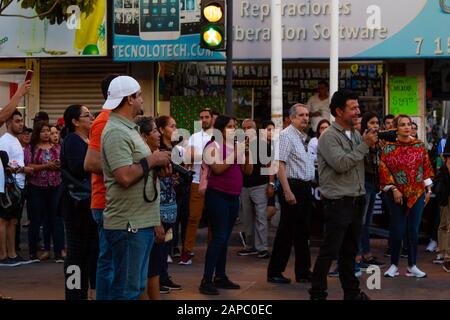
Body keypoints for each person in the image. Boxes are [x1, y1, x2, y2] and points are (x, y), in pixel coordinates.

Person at [100, 76, 171, 300]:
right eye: (139, 95)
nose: (142, 99)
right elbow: (124, 176)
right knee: (126, 291)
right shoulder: (116, 132)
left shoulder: (128, 129)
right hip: (129, 225)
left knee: (135, 287)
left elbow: (136, 168)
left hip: (140, 222)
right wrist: (153, 161)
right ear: (129, 99)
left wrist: (155, 167)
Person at [309, 90, 378, 301]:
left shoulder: (355, 134)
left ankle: (352, 293)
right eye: (353, 108)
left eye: (358, 107)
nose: (358, 111)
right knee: (329, 251)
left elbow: (358, 163)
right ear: (339, 111)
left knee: (349, 252)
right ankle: (318, 293)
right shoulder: (328, 136)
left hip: (356, 200)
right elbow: (341, 164)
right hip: (338, 202)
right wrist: (365, 145)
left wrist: (371, 145)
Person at [199, 115, 253, 295]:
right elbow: (218, 168)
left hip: (233, 196)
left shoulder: (234, 147)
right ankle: (206, 279)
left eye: (234, 126)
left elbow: (248, 170)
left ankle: (220, 276)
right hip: (217, 196)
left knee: (225, 238)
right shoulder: (212, 146)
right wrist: (237, 151)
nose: (233, 129)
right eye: (230, 126)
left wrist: (246, 152)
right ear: (220, 129)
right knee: (219, 237)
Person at [380, 115, 434, 278]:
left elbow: (425, 168)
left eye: (408, 124)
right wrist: (394, 188)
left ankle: (412, 265)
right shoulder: (388, 148)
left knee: (413, 230)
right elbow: (384, 169)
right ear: (396, 128)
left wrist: (428, 191)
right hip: (396, 195)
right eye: (402, 125)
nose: (406, 127)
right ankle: (394, 265)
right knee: (397, 230)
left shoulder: (419, 146)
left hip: (417, 193)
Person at [267, 104, 315, 285]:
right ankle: (275, 271)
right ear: (292, 117)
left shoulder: (301, 137)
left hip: (304, 187)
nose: (305, 118)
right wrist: (287, 191)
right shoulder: (286, 136)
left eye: (307, 115)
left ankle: (303, 271)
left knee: (303, 231)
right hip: (293, 186)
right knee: (286, 231)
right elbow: (279, 164)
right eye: (301, 115)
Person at [83, 74, 118, 300]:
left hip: (115, 202)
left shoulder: (113, 119)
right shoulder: (104, 121)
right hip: (106, 202)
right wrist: (129, 170)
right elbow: (92, 163)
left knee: (115, 260)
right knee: (109, 259)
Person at [60, 104, 98, 300]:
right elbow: (78, 167)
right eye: (86, 115)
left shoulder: (88, 139)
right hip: (76, 205)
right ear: (75, 122)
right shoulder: (72, 140)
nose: (91, 117)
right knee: (75, 255)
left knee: (91, 251)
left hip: (88, 204)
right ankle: (74, 294)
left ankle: (87, 292)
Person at [25, 121, 65, 263]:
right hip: (36, 187)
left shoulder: (58, 147)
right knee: (36, 220)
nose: (47, 133)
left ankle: (59, 252)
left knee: (56, 219)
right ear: (38, 133)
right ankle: (33, 253)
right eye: (43, 131)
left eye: (48, 130)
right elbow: (28, 165)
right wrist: (46, 166)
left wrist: (58, 166)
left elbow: (64, 164)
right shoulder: (32, 148)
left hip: (55, 186)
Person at [179, 108, 213, 265]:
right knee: (193, 218)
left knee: (214, 220)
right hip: (196, 181)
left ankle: (213, 252)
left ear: (212, 118)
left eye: (207, 117)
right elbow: (189, 156)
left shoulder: (218, 137)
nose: (204, 120)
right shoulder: (194, 137)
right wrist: (208, 156)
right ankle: (186, 251)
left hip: (215, 183)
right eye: (201, 117)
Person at [0, 110, 34, 267]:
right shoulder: (5, 141)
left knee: (13, 221)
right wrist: (23, 169)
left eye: (21, 121)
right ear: (8, 123)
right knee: (4, 221)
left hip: (17, 186)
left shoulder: (15, 140)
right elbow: (5, 165)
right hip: (7, 186)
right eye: (17, 121)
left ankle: (12, 253)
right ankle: (4, 255)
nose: (20, 124)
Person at [155, 115, 183, 291]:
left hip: (172, 199)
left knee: (167, 241)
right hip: (159, 202)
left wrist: (175, 179)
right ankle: (156, 279)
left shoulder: (174, 149)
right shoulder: (157, 150)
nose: (175, 129)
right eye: (172, 126)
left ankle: (164, 276)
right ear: (161, 130)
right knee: (158, 242)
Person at [237, 119, 270, 259]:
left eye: (249, 127)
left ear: (255, 128)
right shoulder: (240, 145)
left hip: (260, 185)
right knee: (247, 218)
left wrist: (272, 184)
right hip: (244, 186)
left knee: (261, 217)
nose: (246, 130)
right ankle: (250, 246)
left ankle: (262, 248)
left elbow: (270, 166)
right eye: (243, 128)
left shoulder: (263, 144)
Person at [357, 112, 385, 267]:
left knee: (367, 222)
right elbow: (362, 160)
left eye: (377, 123)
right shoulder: (362, 139)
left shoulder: (378, 140)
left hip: (373, 183)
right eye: (371, 122)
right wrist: (369, 144)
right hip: (363, 183)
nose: (375, 126)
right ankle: (359, 256)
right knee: (361, 222)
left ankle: (366, 255)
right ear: (365, 124)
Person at [434, 139, 450, 272]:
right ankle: (445, 254)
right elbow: (446, 163)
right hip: (446, 187)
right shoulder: (445, 141)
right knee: (445, 222)